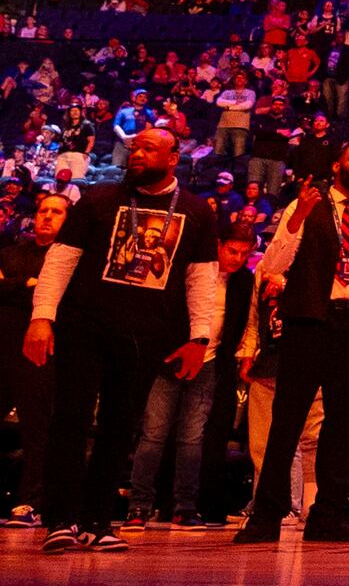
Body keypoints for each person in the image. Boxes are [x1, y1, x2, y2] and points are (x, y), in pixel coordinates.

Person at [24, 126, 221, 555]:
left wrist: (200, 337)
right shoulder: (97, 200)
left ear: (172, 158)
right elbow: (59, 262)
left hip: (147, 334)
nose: (137, 153)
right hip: (84, 327)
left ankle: (97, 520)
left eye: (149, 148)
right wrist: (42, 318)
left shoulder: (196, 212)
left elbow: (202, 279)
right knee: (70, 419)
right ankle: (59, 518)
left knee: (120, 427)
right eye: (135, 147)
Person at [236, 141, 349, 546]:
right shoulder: (306, 206)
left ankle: (328, 515)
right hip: (308, 322)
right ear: (337, 165)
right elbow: (274, 266)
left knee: (341, 425)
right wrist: (297, 217)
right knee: (287, 422)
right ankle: (266, 515)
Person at [126, 229, 254, 527]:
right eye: (232, 251)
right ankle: (139, 505)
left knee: (192, 438)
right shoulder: (193, 270)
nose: (237, 259)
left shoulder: (243, 280)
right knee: (154, 435)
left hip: (209, 363)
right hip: (170, 359)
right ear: (218, 244)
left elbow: (240, 322)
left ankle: (185, 506)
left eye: (244, 253)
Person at [1, 191, 68, 525]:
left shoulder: (70, 260)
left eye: (56, 212)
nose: (47, 216)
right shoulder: (12, 252)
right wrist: (29, 284)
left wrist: (14, 286)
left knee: (35, 430)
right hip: (2, 348)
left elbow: (61, 298)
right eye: (44, 210)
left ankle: (29, 503)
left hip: (40, 355)